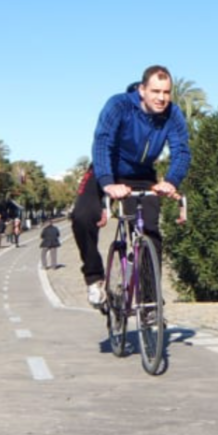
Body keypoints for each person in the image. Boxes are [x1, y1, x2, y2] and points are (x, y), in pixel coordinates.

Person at [71, 64, 191, 308]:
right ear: (141, 90)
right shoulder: (119, 106)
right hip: (107, 169)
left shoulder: (173, 115)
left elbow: (181, 150)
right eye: (156, 91)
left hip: (141, 175)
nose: (161, 98)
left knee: (150, 231)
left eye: (166, 92)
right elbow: (103, 142)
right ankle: (94, 279)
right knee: (82, 217)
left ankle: (149, 302)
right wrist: (107, 183)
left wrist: (170, 181)